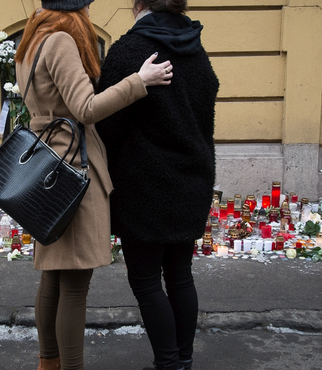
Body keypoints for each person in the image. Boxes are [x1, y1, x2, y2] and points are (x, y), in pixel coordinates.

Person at [14, 1, 174, 369]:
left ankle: (48, 363)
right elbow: (84, 108)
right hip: (70, 169)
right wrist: (139, 81)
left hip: (46, 165)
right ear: (80, 6)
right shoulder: (60, 41)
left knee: (53, 275)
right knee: (74, 283)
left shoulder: (33, 36)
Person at [95, 1, 219, 369]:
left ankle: (169, 364)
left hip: (144, 186)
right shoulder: (195, 46)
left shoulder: (130, 50)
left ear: (138, 3)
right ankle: (183, 360)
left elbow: (106, 126)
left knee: (147, 281)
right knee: (180, 275)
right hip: (192, 177)